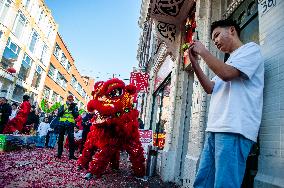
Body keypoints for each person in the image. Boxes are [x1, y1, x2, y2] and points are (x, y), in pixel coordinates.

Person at [183, 19, 264, 187]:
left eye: (217, 35)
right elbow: (210, 87)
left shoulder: (251, 50)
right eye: (213, 40)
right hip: (215, 129)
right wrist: (195, 63)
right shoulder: (227, 62)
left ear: (232, 30)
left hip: (234, 129)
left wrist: (204, 51)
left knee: (224, 184)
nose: (216, 42)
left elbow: (227, 74)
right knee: (202, 183)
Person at [56, 94, 79, 160]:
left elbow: (76, 116)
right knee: (60, 139)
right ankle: (59, 154)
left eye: (71, 100)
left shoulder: (75, 107)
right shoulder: (63, 106)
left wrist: (72, 109)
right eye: (69, 99)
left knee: (71, 140)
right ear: (67, 100)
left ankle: (71, 155)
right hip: (62, 124)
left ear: (73, 100)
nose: (70, 101)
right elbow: (59, 114)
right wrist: (65, 109)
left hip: (70, 124)